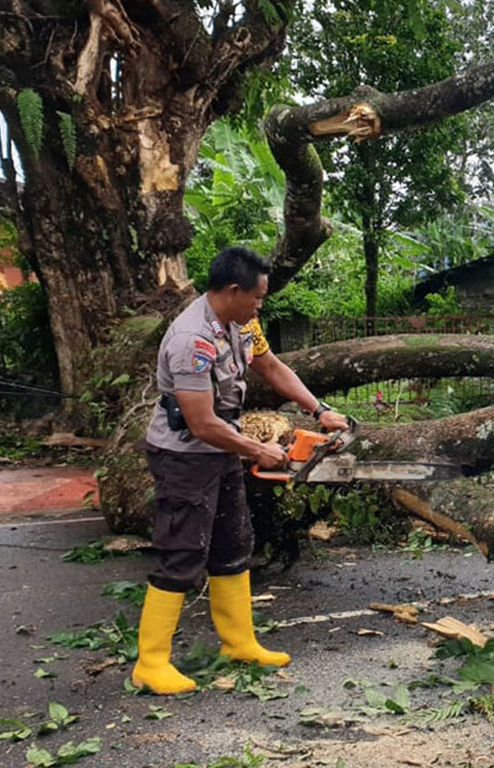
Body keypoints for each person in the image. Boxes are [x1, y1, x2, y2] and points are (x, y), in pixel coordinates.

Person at [133, 246, 348, 695]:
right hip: (185, 456)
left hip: (221, 449)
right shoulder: (192, 340)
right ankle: (151, 663)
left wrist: (319, 409)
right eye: (258, 297)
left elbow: (270, 366)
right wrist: (257, 451)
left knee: (233, 544)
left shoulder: (242, 323)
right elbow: (201, 423)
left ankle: (239, 643)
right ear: (233, 291)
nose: (261, 305)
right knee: (183, 553)